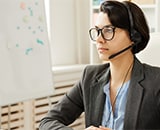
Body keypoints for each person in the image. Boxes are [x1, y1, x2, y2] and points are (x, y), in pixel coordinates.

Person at [39, 0, 160, 130]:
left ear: (133, 36)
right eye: (97, 31)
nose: (99, 39)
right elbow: (47, 121)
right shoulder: (90, 76)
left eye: (108, 30)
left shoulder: (156, 81)